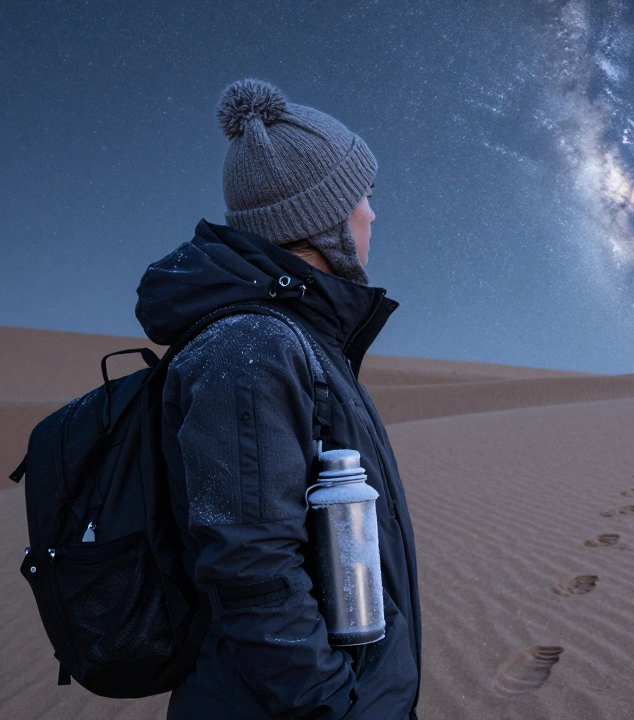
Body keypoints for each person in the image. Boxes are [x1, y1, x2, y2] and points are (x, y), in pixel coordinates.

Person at [134, 78, 420, 719]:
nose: (372, 213)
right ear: (323, 220)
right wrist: (335, 710)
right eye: (362, 196)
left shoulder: (294, 340)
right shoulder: (251, 349)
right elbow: (251, 573)